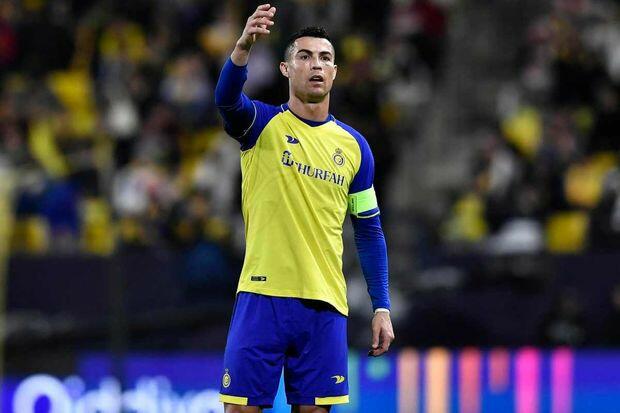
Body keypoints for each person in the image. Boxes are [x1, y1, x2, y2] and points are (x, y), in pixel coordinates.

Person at [214, 4, 394, 413]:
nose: (316, 65)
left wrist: (381, 305)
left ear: (335, 72)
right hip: (262, 296)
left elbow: (369, 230)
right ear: (285, 68)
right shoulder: (260, 125)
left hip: (324, 304)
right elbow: (226, 100)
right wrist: (242, 48)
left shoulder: (355, 148)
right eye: (305, 56)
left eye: (325, 58)